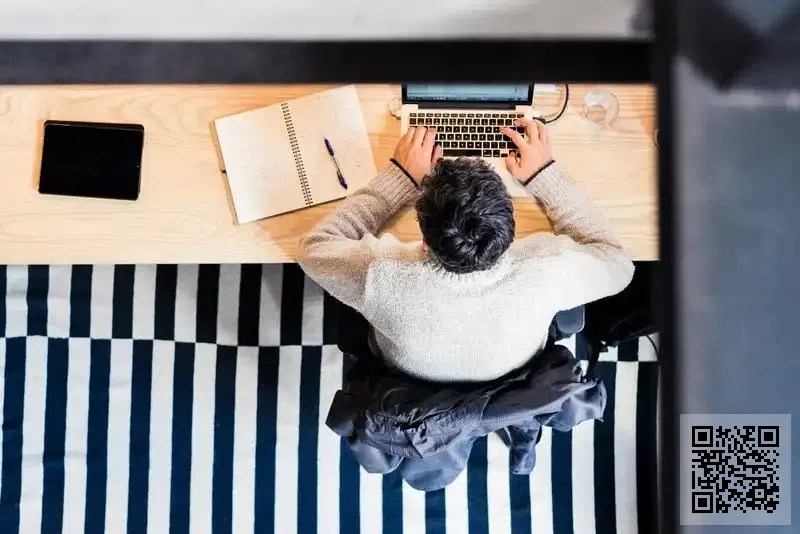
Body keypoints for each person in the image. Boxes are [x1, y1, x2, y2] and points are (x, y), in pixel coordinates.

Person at [297, 120, 634, 382]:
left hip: (407, 382)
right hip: (512, 380)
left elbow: (315, 247)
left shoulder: (381, 272)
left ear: (425, 241)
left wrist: (400, 178)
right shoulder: (547, 269)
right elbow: (618, 262)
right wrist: (544, 175)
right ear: (509, 230)